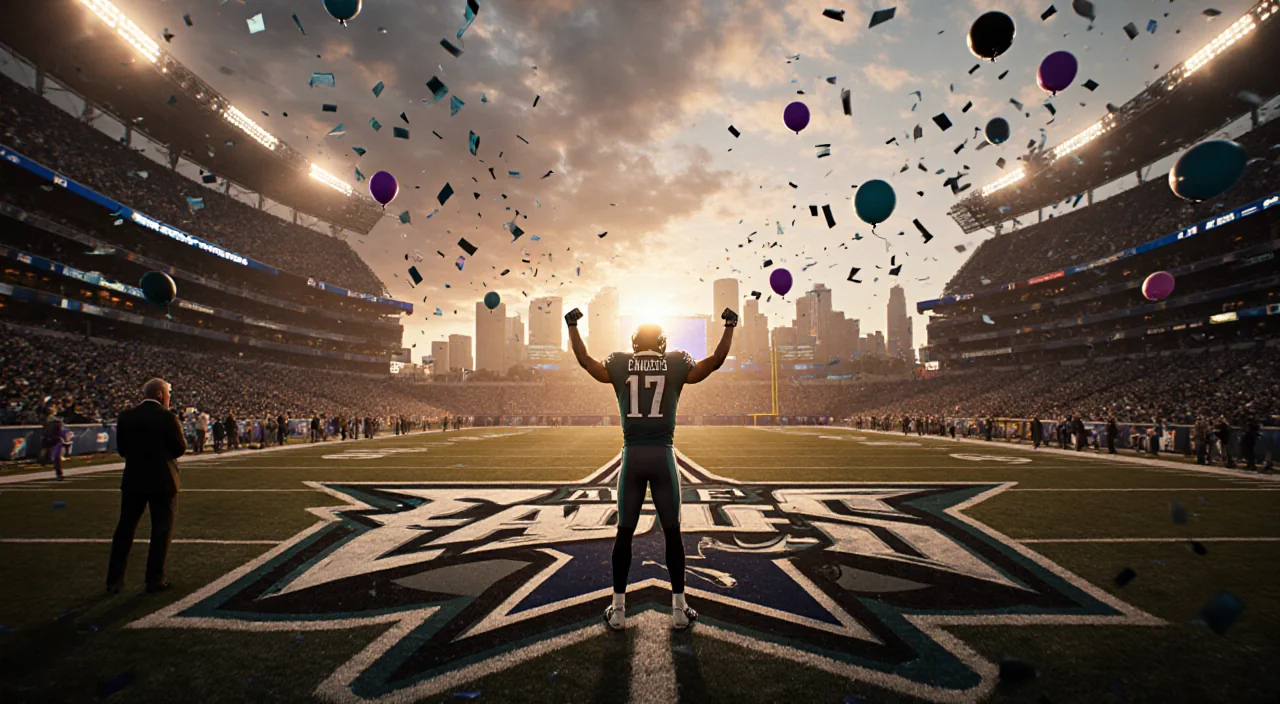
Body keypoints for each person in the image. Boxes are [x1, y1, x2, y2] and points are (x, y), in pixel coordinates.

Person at [568, 305, 737, 632]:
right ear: (661, 342)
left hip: (632, 455)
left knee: (624, 533)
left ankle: (618, 610)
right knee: (672, 533)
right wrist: (729, 325)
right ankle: (678, 608)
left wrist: (573, 326)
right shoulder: (674, 362)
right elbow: (714, 362)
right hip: (662, 454)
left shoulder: (619, 363)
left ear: (634, 343)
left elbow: (586, 362)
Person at [106, 378, 186, 594]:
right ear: (160, 394)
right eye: (168, 393)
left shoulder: (126, 417)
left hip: (134, 479)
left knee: (125, 529)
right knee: (161, 530)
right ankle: (155, 579)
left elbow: (122, 449)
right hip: (163, 480)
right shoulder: (168, 417)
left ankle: (114, 580)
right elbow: (180, 447)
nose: (169, 398)